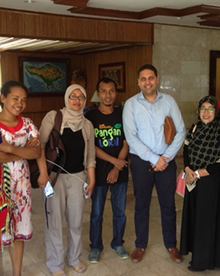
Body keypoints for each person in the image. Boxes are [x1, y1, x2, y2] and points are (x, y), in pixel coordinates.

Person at [123, 64, 186, 264]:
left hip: (166, 162)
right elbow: (131, 138)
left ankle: (171, 245)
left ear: (157, 79)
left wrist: (165, 158)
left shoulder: (169, 101)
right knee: (142, 205)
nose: (147, 82)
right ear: (138, 82)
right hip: (142, 163)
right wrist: (154, 159)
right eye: (143, 79)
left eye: (151, 78)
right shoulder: (131, 104)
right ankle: (140, 245)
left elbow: (181, 131)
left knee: (168, 205)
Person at [0, 81, 41, 276]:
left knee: (18, 234)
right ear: (3, 98)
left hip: (21, 189)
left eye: (23, 100)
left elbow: (37, 152)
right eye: (15, 98)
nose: (19, 103)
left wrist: (11, 149)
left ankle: (17, 274)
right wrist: (24, 153)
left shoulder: (28, 123)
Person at [36, 84, 96, 276]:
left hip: (78, 178)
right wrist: (43, 175)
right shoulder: (54, 117)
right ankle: (56, 264)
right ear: (66, 98)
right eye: (73, 96)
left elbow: (91, 157)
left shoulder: (87, 125)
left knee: (76, 222)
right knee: (53, 221)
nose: (77, 100)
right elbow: (40, 147)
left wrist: (92, 180)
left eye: (81, 97)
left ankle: (75, 258)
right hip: (54, 179)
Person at [179, 95, 220, 272]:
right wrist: (187, 169)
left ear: (216, 111)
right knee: (195, 217)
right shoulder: (195, 127)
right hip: (193, 180)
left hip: (211, 182)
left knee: (206, 221)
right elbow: (186, 149)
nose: (206, 113)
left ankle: (203, 261)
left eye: (210, 109)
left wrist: (199, 173)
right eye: (203, 109)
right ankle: (197, 254)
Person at [85, 77, 130, 263]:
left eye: (111, 91)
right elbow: (90, 146)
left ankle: (118, 243)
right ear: (98, 94)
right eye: (103, 91)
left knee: (120, 212)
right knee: (96, 213)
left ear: (116, 93)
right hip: (98, 171)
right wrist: (114, 162)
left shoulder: (124, 114)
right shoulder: (90, 117)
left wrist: (118, 167)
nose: (108, 95)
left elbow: (127, 142)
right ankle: (95, 246)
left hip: (120, 172)